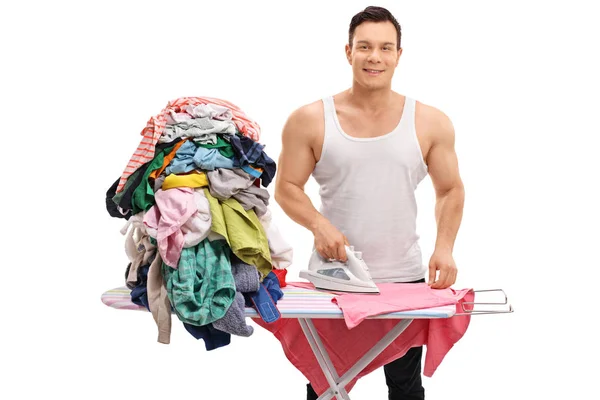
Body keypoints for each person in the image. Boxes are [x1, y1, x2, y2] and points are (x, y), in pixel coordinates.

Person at [274, 5, 465, 400]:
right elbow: (287, 186)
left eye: (384, 48)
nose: (374, 57)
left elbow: (450, 189)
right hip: (335, 280)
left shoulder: (430, 122)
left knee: (405, 387)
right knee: (327, 385)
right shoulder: (310, 119)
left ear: (398, 55)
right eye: (364, 47)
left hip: (406, 278)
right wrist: (319, 225)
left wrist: (444, 247)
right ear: (348, 52)